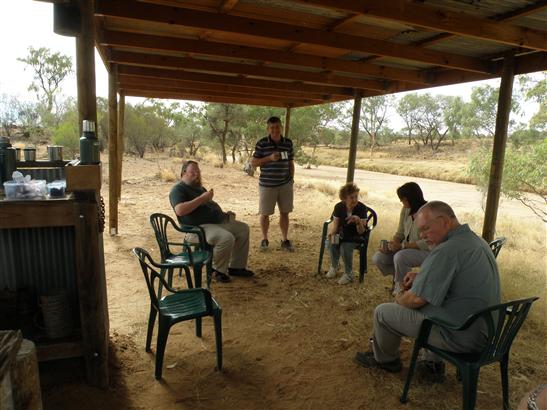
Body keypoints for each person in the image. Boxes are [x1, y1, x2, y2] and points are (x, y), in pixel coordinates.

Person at [355, 201, 501, 380]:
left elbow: (415, 300)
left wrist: (399, 295)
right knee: (429, 304)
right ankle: (432, 363)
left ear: (444, 222)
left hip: (461, 334)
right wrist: (421, 278)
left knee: (383, 312)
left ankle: (386, 360)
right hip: (486, 331)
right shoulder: (475, 241)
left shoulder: (447, 250)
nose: (422, 236)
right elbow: (456, 281)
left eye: (426, 229)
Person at [169, 160, 254, 283]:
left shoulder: (199, 188)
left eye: (198, 171)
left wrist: (224, 215)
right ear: (183, 173)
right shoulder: (178, 189)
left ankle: (236, 267)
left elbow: (209, 207)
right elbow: (180, 210)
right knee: (226, 238)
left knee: (243, 228)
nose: (197, 174)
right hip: (196, 229)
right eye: (193, 171)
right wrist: (202, 198)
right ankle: (216, 270)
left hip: (215, 224)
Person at [372, 182, 429, 295]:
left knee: (400, 256)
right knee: (378, 257)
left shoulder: (427, 212)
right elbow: (400, 233)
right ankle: (405, 280)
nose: (401, 202)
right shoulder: (406, 209)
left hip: (426, 251)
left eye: (402, 199)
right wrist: (392, 245)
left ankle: (400, 287)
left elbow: (427, 242)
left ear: (411, 198)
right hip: (405, 248)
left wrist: (402, 246)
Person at [251, 116, 295, 252]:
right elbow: (253, 163)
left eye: (277, 127)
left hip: (285, 184)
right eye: (272, 127)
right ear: (268, 129)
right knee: (265, 214)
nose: (275, 130)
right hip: (267, 185)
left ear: (281, 127)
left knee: (285, 213)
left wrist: (291, 179)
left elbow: (290, 162)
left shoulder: (288, 143)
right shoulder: (262, 143)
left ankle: (285, 239)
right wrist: (269, 158)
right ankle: (264, 239)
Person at [325, 183, 370, 285]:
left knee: (345, 247)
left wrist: (358, 221)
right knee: (330, 242)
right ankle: (334, 266)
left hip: (356, 236)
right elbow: (335, 226)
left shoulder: (361, 208)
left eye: (356, 196)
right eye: (351, 197)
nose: (354, 200)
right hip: (343, 234)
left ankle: (349, 274)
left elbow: (362, 232)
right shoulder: (338, 207)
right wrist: (331, 235)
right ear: (344, 199)